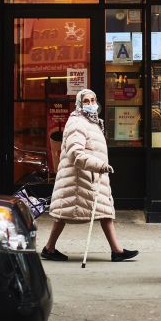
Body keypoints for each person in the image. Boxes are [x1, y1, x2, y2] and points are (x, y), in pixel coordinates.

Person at [40, 88, 139, 263]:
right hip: (80, 176)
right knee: (64, 213)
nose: (91, 104)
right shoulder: (77, 123)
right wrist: (98, 165)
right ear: (79, 104)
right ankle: (49, 248)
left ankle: (116, 250)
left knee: (103, 211)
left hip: (92, 175)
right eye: (86, 101)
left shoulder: (92, 122)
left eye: (93, 100)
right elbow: (75, 153)